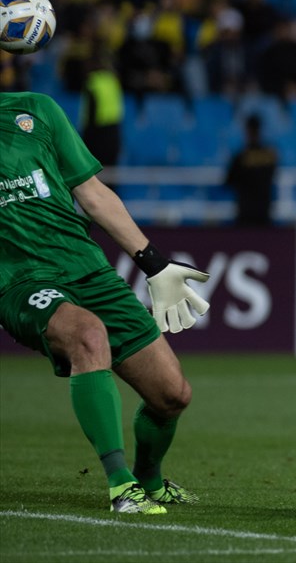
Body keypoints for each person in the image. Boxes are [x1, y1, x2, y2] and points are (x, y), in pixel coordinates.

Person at [0, 91, 210, 514]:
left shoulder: (36, 109)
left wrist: (154, 264)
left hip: (86, 267)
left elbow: (92, 193)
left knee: (172, 395)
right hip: (19, 280)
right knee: (88, 335)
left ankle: (149, 480)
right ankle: (121, 485)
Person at [225, 115, 278, 227]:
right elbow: (273, 174)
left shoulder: (240, 156)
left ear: (247, 131)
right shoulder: (270, 155)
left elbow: (228, 181)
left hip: (246, 212)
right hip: (263, 211)